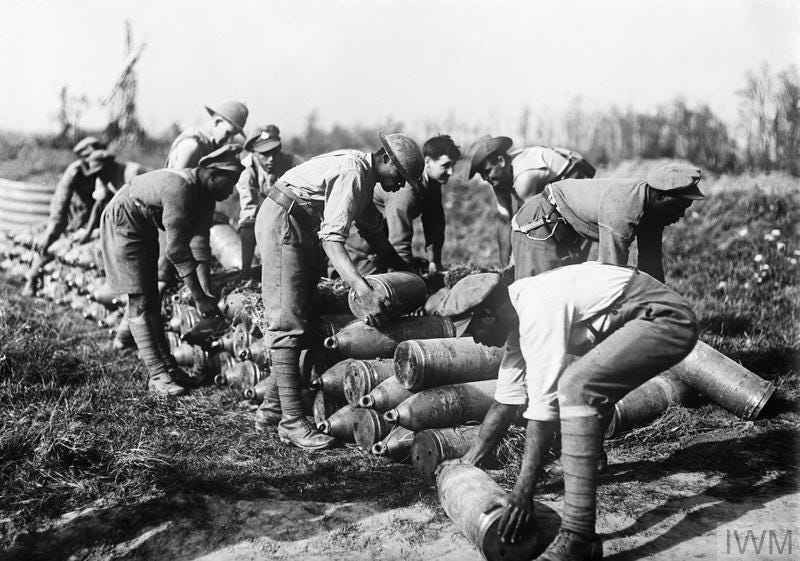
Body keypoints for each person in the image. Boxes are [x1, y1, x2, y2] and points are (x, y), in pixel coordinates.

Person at [437, 264, 698, 560]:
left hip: (665, 317)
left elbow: (542, 412)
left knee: (575, 386)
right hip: (637, 320)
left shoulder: (538, 309)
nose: (475, 340)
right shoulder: (518, 320)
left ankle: (578, 538)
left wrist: (523, 492)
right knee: (582, 386)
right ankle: (587, 468)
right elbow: (505, 402)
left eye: (473, 331)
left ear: (488, 315)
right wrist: (469, 461)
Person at [253, 132, 424, 450]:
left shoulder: (364, 174)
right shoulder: (354, 173)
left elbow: (373, 231)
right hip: (284, 219)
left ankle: (271, 411)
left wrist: (406, 273)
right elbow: (332, 239)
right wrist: (362, 289)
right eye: (400, 176)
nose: (401, 185)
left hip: (296, 221)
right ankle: (291, 423)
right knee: (286, 320)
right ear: (385, 159)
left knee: (300, 316)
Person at [100, 145, 244, 396]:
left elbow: (199, 245)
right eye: (229, 183)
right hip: (123, 221)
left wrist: (206, 295)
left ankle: (168, 369)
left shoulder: (205, 196)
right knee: (141, 300)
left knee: (152, 300)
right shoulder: (181, 191)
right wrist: (198, 297)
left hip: (142, 225)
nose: (231, 191)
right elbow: (177, 251)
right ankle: (157, 377)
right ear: (212, 175)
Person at [510, 163, 704, 282]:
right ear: (660, 196)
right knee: (534, 299)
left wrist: (661, 307)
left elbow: (651, 267)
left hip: (565, 230)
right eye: (678, 207)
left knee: (565, 298)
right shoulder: (623, 207)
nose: (680, 215)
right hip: (540, 222)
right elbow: (611, 275)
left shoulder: (652, 210)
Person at [23, 147, 144, 296]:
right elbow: (98, 206)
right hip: (78, 215)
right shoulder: (83, 173)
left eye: (100, 172)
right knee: (55, 243)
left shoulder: (131, 173)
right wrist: (87, 233)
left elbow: (137, 210)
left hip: (137, 222)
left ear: (109, 165)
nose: (98, 176)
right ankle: (32, 278)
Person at [159, 100, 249, 296]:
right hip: (170, 217)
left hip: (191, 212)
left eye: (234, 134)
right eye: (229, 132)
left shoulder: (213, 146)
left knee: (200, 257)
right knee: (162, 275)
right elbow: (173, 189)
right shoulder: (192, 145)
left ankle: (203, 296)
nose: (229, 138)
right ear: (217, 121)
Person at [467, 135, 595, 266]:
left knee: (552, 235)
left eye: (487, 171)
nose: (485, 178)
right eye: (481, 174)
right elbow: (504, 220)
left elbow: (527, 222)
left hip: (574, 182)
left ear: (500, 161)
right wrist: (504, 268)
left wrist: (514, 264)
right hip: (550, 191)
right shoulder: (497, 179)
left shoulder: (524, 174)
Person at [346, 134, 461, 275]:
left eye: (453, 166)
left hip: (385, 245)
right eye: (445, 165)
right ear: (428, 161)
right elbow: (399, 241)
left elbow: (435, 224)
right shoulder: (405, 189)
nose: (451, 172)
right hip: (363, 247)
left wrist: (434, 261)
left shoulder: (433, 186)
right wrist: (408, 276)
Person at [236, 125, 304, 277]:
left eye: (275, 152)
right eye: (265, 154)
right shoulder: (247, 171)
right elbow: (248, 218)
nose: (271, 159)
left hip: (296, 215)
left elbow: (309, 207)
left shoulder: (294, 164)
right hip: (265, 219)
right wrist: (245, 270)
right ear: (254, 153)